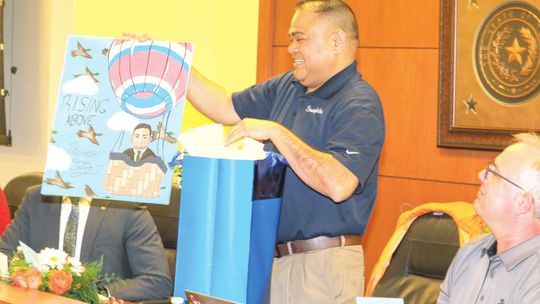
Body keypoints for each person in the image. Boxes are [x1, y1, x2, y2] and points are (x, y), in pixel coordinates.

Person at [187, 0, 384, 302]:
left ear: (336, 41)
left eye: (300, 38)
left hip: (322, 265)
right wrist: (175, 65)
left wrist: (276, 132)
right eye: (291, 38)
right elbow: (225, 106)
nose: (291, 47)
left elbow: (339, 184)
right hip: (273, 259)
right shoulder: (288, 86)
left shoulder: (359, 103)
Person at [0, 185, 173, 302]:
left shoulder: (127, 206)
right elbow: (4, 252)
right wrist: (20, 276)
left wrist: (96, 294)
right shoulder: (36, 197)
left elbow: (157, 281)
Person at [437, 133, 540, 303]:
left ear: (522, 203)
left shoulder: (535, 278)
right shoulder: (470, 252)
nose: (481, 175)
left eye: (494, 173)